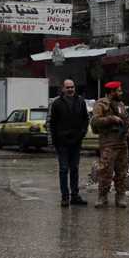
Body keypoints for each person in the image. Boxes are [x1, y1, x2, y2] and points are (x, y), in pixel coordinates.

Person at [90, 81, 129, 208]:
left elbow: (127, 117)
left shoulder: (120, 104)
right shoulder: (101, 104)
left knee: (122, 172)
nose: (121, 93)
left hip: (122, 143)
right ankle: (102, 196)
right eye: (119, 91)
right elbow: (95, 121)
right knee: (105, 171)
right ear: (112, 92)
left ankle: (120, 196)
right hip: (108, 143)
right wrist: (111, 119)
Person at [48, 78, 90, 207]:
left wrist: (82, 133)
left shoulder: (81, 101)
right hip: (62, 143)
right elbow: (52, 123)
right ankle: (65, 197)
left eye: (72, 87)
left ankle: (75, 196)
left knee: (74, 169)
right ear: (63, 89)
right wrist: (54, 141)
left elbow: (85, 119)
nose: (70, 89)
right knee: (64, 169)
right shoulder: (57, 103)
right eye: (68, 87)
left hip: (76, 142)